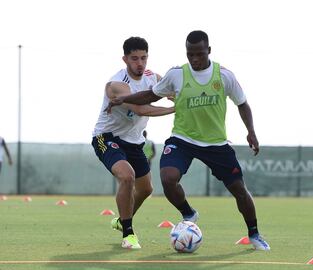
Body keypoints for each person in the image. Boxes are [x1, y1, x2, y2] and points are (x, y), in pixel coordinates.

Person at [106, 30, 270, 251]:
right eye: (190, 54)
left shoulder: (224, 75)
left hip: (216, 143)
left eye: (199, 54)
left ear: (208, 51)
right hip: (182, 139)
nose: (194, 59)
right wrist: (124, 99)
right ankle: (188, 213)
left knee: (239, 189)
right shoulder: (177, 75)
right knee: (167, 178)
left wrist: (251, 131)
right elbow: (150, 95)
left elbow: (242, 103)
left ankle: (254, 234)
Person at [92, 36, 174, 249]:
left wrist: (180, 99)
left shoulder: (153, 78)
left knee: (146, 189)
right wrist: (174, 109)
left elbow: (174, 92)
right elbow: (140, 108)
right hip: (107, 138)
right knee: (127, 177)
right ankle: (128, 233)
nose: (140, 63)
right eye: (135, 58)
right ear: (125, 59)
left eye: (144, 58)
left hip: (134, 141)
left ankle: (121, 220)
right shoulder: (116, 85)